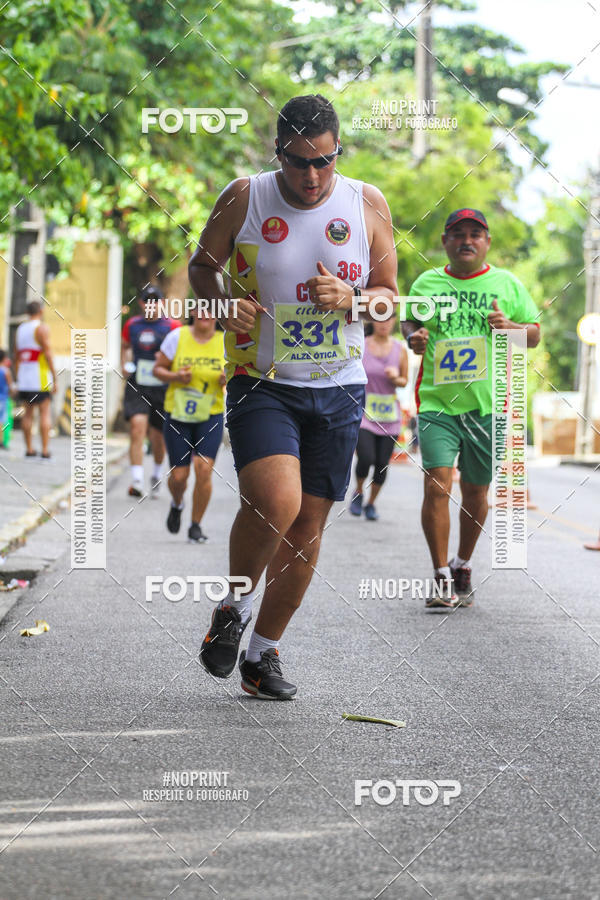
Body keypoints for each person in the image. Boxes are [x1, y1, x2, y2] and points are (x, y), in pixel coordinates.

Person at [189, 93, 397, 699]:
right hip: (264, 381)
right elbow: (202, 268)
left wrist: (354, 302)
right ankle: (232, 607)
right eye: (299, 163)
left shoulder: (366, 203)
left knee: (308, 527)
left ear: (338, 153)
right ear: (277, 152)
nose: (312, 177)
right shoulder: (245, 197)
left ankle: (262, 654)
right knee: (274, 503)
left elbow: (389, 296)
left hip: (339, 387)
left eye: (325, 162)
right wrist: (224, 304)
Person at [402, 208, 541, 610]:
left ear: (487, 242)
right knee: (437, 484)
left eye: (475, 234)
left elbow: (532, 335)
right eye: (458, 233)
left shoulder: (507, 284)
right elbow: (408, 323)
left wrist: (511, 329)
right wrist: (415, 336)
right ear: (445, 241)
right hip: (437, 402)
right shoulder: (428, 282)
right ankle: (441, 575)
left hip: (489, 406)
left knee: (477, 491)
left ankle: (462, 563)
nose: (467, 240)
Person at [153, 303, 226, 543]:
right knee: (179, 477)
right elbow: (158, 369)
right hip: (178, 414)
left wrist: (229, 378)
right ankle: (177, 503)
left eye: (210, 310)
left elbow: (241, 373)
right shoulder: (177, 337)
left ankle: (196, 525)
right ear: (193, 312)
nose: (205, 314)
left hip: (210, 414)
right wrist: (176, 377)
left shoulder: (226, 342)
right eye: (201, 309)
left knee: (203, 469)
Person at [121, 285, 179, 498]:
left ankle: (155, 474)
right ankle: (136, 481)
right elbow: (125, 346)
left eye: (156, 301)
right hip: (138, 384)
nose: (151, 305)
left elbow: (179, 353)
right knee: (137, 428)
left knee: (158, 438)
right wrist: (124, 365)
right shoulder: (132, 325)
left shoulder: (172, 326)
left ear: (162, 303)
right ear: (141, 303)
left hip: (163, 387)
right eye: (147, 301)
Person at [349, 318, 408, 520]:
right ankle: (358, 491)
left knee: (382, 464)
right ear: (372, 321)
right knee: (366, 457)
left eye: (388, 318)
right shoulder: (361, 344)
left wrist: (395, 378)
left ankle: (371, 504)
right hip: (365, 414)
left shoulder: (400, 349)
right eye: (379, 319)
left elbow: (404, 380)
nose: (384, 323)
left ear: (393, 322)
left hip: (390, 417)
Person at [14, 301, 57, 459]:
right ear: (41, 311)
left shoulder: (20, 329)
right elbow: (48, 354)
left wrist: (19, 377)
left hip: (25, 379)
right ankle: (45, 451)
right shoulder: (41, 328)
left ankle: (29, 449)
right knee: (44, 413)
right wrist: (55, 377)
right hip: (40, 378)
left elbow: (16, 356)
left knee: (27, 414)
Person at [0, 349, 16, 449]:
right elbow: (11, 387)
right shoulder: (6, 371)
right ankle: (1, 442)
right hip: (3, 399)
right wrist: (13, 394)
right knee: (2, 421)